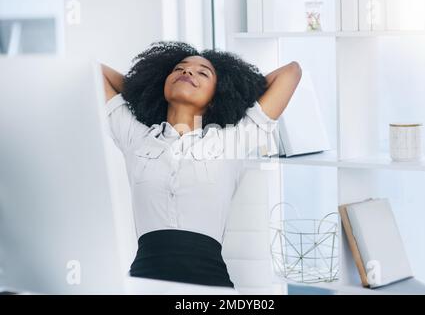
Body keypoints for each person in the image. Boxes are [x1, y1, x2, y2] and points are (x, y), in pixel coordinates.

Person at [102, 41, 301, 290]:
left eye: (202, 73)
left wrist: (241, 91)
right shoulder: (136, 137)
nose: (187, 73)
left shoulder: (232, 141)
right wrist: (142, 91)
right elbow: (95, 73)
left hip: (209, 286)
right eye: (179, 69)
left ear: (217, 96)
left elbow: (291, 72)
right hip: (143, 283)